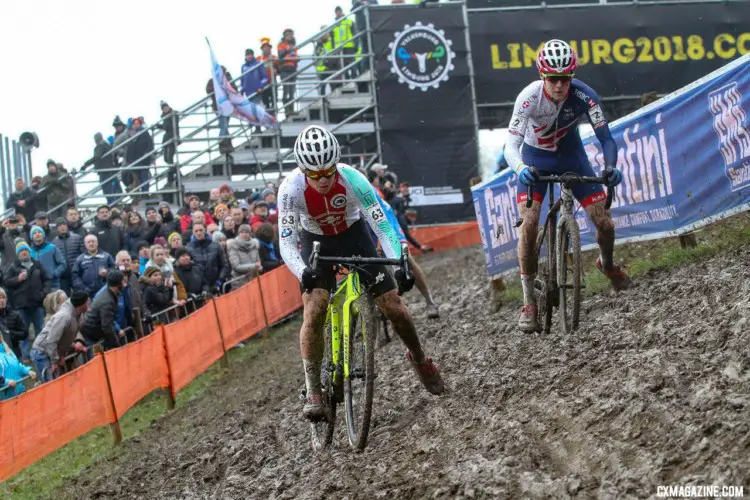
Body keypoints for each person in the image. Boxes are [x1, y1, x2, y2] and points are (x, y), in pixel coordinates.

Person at [278, 125, 445, 421]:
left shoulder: (354, 179)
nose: (323, 180)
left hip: (354, 233)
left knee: (395, 307)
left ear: (336, 164)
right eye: (314, 175)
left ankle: (420, 359)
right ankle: (313, 387)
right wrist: (302, 270)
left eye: (328, 172)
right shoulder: (290, 189)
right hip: (314, 241)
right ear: (302, 170)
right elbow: (287, 241)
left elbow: (381, 224)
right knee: (314, 309)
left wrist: (398, 260)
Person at [503, 39, 631, 333]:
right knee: (529, 225)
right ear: (542, 76)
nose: (560, 85)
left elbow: (606, 139)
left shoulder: (586, 97)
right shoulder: (529, 98)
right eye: (553, 79)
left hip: (573, 157)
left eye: (565, 78)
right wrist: (521, 168)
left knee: (605, 223)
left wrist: (610, 167)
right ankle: (528, 303)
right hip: (535, 160)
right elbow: (511, 145)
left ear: (572, 76)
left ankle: (607, 265)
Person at [31, 290, 89, 383]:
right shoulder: (63, 316)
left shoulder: (78, 314)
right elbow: (51, 340)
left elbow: (66, 337)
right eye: (87, 301)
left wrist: (64, 352)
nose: (89, 302)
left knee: (60, 382)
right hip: (42, 351)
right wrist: (55, 361)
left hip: (53, 351)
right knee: (51, 384)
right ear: (81, 304)